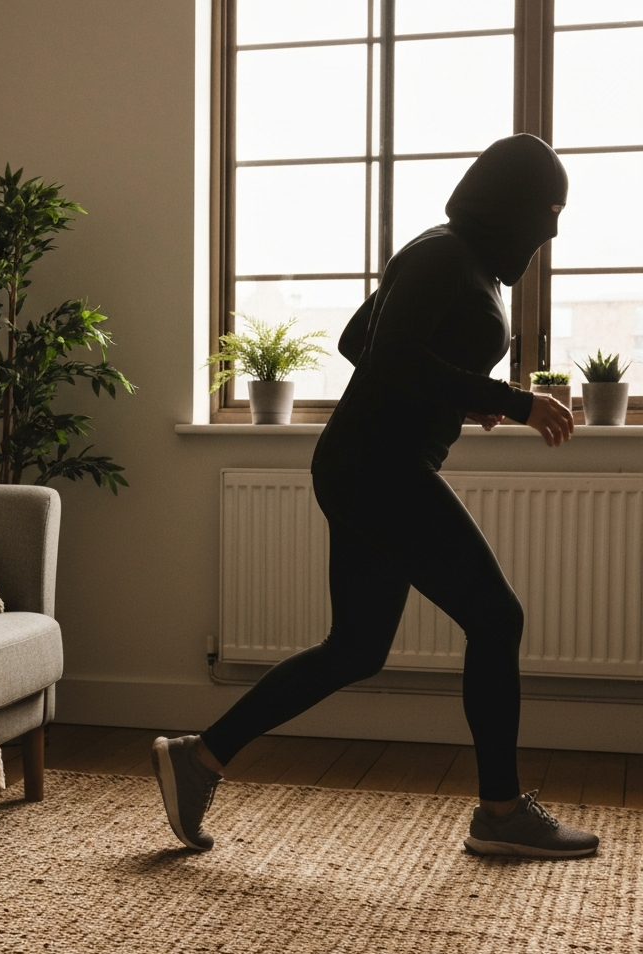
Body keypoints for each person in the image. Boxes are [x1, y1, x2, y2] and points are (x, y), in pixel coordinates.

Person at [153, 134, 599, 859]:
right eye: (548, 210)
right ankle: (501, 811)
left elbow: (363, 340)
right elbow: (381, 351)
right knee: (496, 617)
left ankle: (197, 758)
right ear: (512, 201)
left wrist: (456, 392)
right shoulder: (444, 255)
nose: (552, 229)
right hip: (379, 468)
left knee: (357, 647)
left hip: (370, 466)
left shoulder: (461, 260)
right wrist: (507, 399)